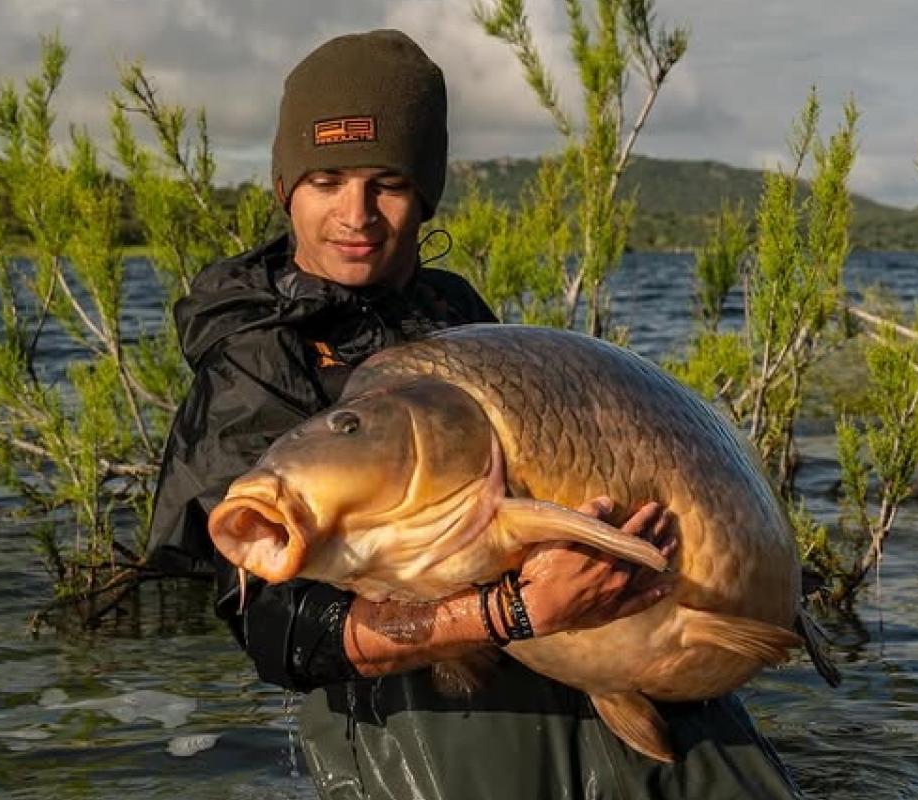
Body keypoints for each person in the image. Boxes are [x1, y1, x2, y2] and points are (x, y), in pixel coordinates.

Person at [146, 28, 803, 800]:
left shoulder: (450, 311)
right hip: (407, 709)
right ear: (287, 187)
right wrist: (514, 611)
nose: (355, 214)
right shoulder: (254, 362)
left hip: (571, 646)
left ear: (424, 193)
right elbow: (278, 635)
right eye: (325, 180)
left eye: (385, 182)